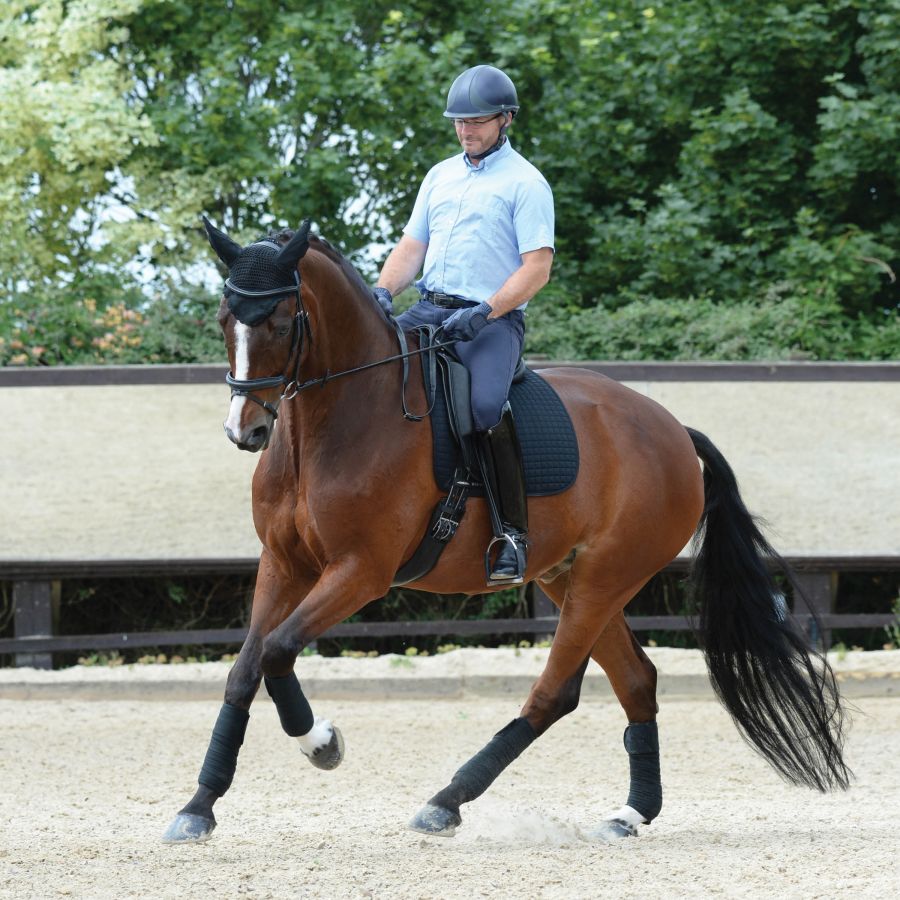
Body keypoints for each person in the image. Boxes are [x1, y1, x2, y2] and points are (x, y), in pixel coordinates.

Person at [373, 64, 555, 586]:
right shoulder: (440, 175)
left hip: (490, 321)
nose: (465, 130)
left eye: (476, 121)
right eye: (459, 121)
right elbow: (412, 248)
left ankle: (512, 535)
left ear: (506, 119)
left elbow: (537, 267)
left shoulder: (526, 183)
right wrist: (384, 291)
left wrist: (486, 311)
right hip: (430, 307)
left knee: (482, 407)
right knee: (373, 373)